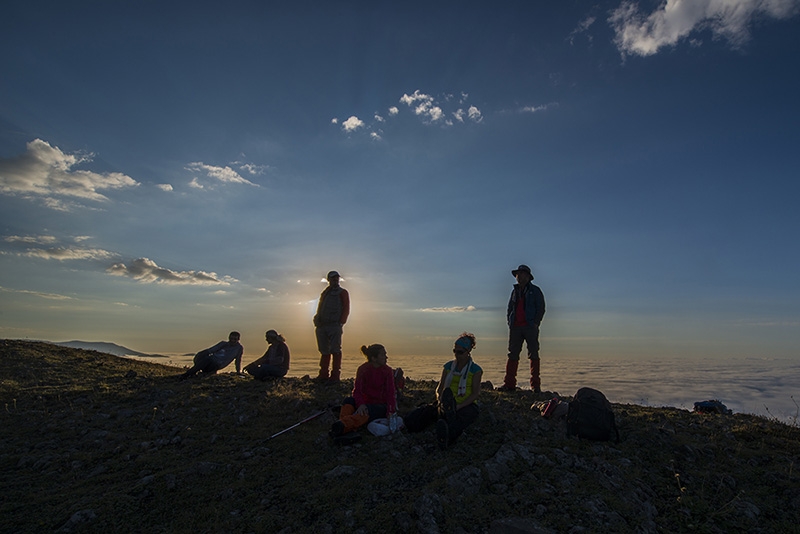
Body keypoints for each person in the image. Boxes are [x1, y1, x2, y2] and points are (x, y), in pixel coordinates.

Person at [404, 333, 482, 451]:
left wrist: (459, 406)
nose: (457, 355)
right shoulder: (448, 367)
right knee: (426, 412)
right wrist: (439, 400)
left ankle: (446, 435)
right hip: (445, 402)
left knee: (463, 418)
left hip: (465, 404)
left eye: (460, 352)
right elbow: (440, 388)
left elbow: (475, 393)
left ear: (468, 352)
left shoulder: (475, 370)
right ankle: (415, 424)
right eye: (454, 351)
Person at [329, 344, 396, 438]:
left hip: (379, 405)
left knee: (366, 412)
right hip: (365, 403)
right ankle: (344, 425)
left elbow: (391, 393)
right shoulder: (363, 369)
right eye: (383, 355)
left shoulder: (387, 371)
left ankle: (343, 426)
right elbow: (357, 391)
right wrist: (361, 404)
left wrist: (390, 411)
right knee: (348, 401)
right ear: (374, 358)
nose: (386, 357)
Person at [498, 264, 546, 393]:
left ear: (528, 277)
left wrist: (536, 323)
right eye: (518, 274)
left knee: (533, 353)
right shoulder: (514, 291)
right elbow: (510, 308)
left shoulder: (535, 290)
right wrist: (510, 322)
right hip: (516, 328)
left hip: (530, 327)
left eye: (522, 274)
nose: (519, 277)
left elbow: (541, 308)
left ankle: (535, 386)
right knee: (513, 354)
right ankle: (509, 384)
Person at [313, 270, 350, 382]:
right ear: (329, 280)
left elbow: (346, 308)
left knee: (335, 349)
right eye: (333, 278)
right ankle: (323, 374)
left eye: (337, 278)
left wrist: (341, 322)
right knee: (324, 350)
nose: (335, 280)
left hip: (335, 325)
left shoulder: (342, 292)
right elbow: (320, 307)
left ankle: (335, 375)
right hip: (322, 325)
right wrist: (317, 318)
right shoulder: (325, 293)